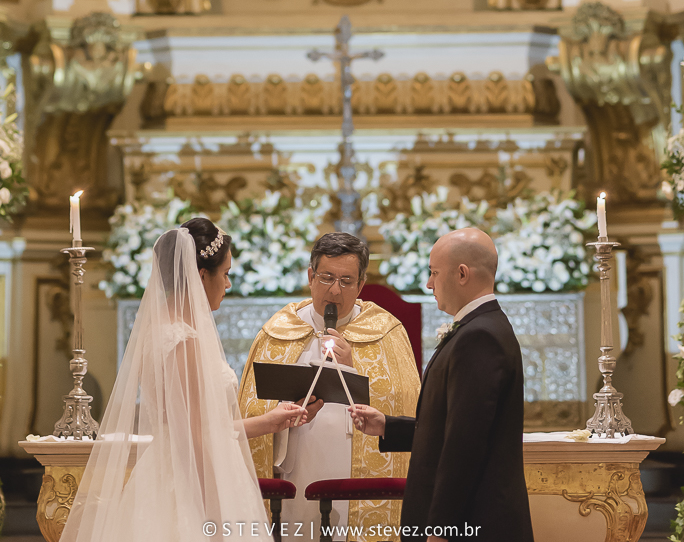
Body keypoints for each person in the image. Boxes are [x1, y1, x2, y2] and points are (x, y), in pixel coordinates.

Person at [61, 219, 310, 542]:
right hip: (191, 483)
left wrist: (270, 422)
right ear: (202, 276)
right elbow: (195, 438)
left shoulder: (161, 331)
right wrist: (214, 515)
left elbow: (203, 427)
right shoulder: (182, 340)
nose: (228, 284)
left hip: (169, 470)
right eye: (225, 273)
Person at [350, 228, 534, 542]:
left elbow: (465, 445)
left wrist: (440, 529)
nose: (429, 283)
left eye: (434, 272)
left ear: (462, 274)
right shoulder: (481, 327)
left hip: (470, 525)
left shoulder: (479, 336)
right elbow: (454, 428)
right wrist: (388, 427)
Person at [239, 232, 421, 538]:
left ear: (361, 285)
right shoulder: (278, 331)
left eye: (347, 281)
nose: (335, 290)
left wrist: (354, 367)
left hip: (358, 478)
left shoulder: (386, 332)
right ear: (311, 277)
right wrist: (284, 416)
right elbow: (251, 408)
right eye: (326, 278)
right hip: (297, 469)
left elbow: (403, 405)